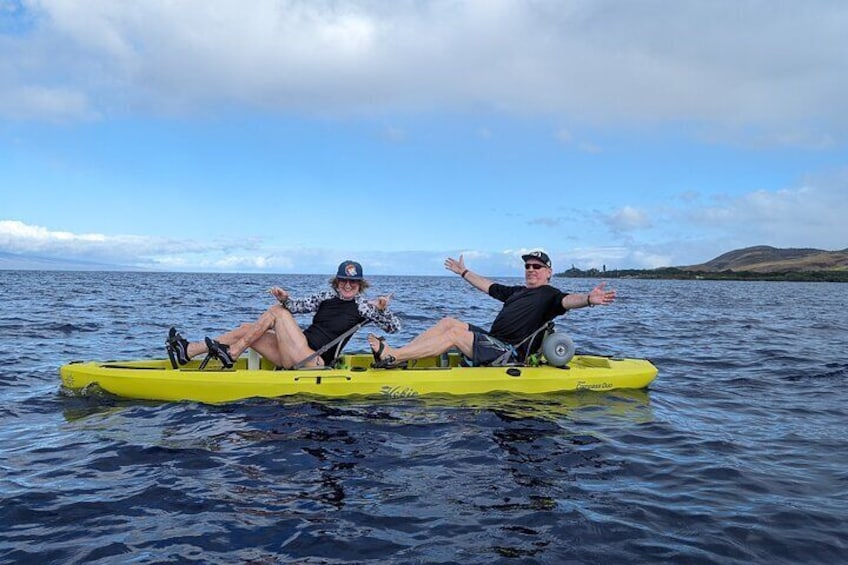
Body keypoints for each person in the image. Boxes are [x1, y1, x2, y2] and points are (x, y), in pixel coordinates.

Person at [367, 250, 615, 368]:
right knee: (448, 322)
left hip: (508, 352)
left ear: (548, 272)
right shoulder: (517, 292)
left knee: (454, 336)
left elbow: (568, 301)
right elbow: (487, 285)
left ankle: (393, 356)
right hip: (492, 340)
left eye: (536, 266)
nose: (530, 269)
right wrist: (463, 272)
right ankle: (400, 356)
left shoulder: (550, 296)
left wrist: (589, 299)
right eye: (528, 266)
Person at [166, 260, 400, 369]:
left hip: (313, 361)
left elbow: (394, 327)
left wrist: (383, 309)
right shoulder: (324, 298)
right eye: (344, 280)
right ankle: (189, 352)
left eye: (353, 282)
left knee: (277, 313)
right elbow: (296, 307)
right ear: (337, 281)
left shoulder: (364, 307)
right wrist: (285, 299)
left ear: (360, 285)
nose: (348, 285)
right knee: (249, 327)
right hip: (296, 351)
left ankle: (234, 353)